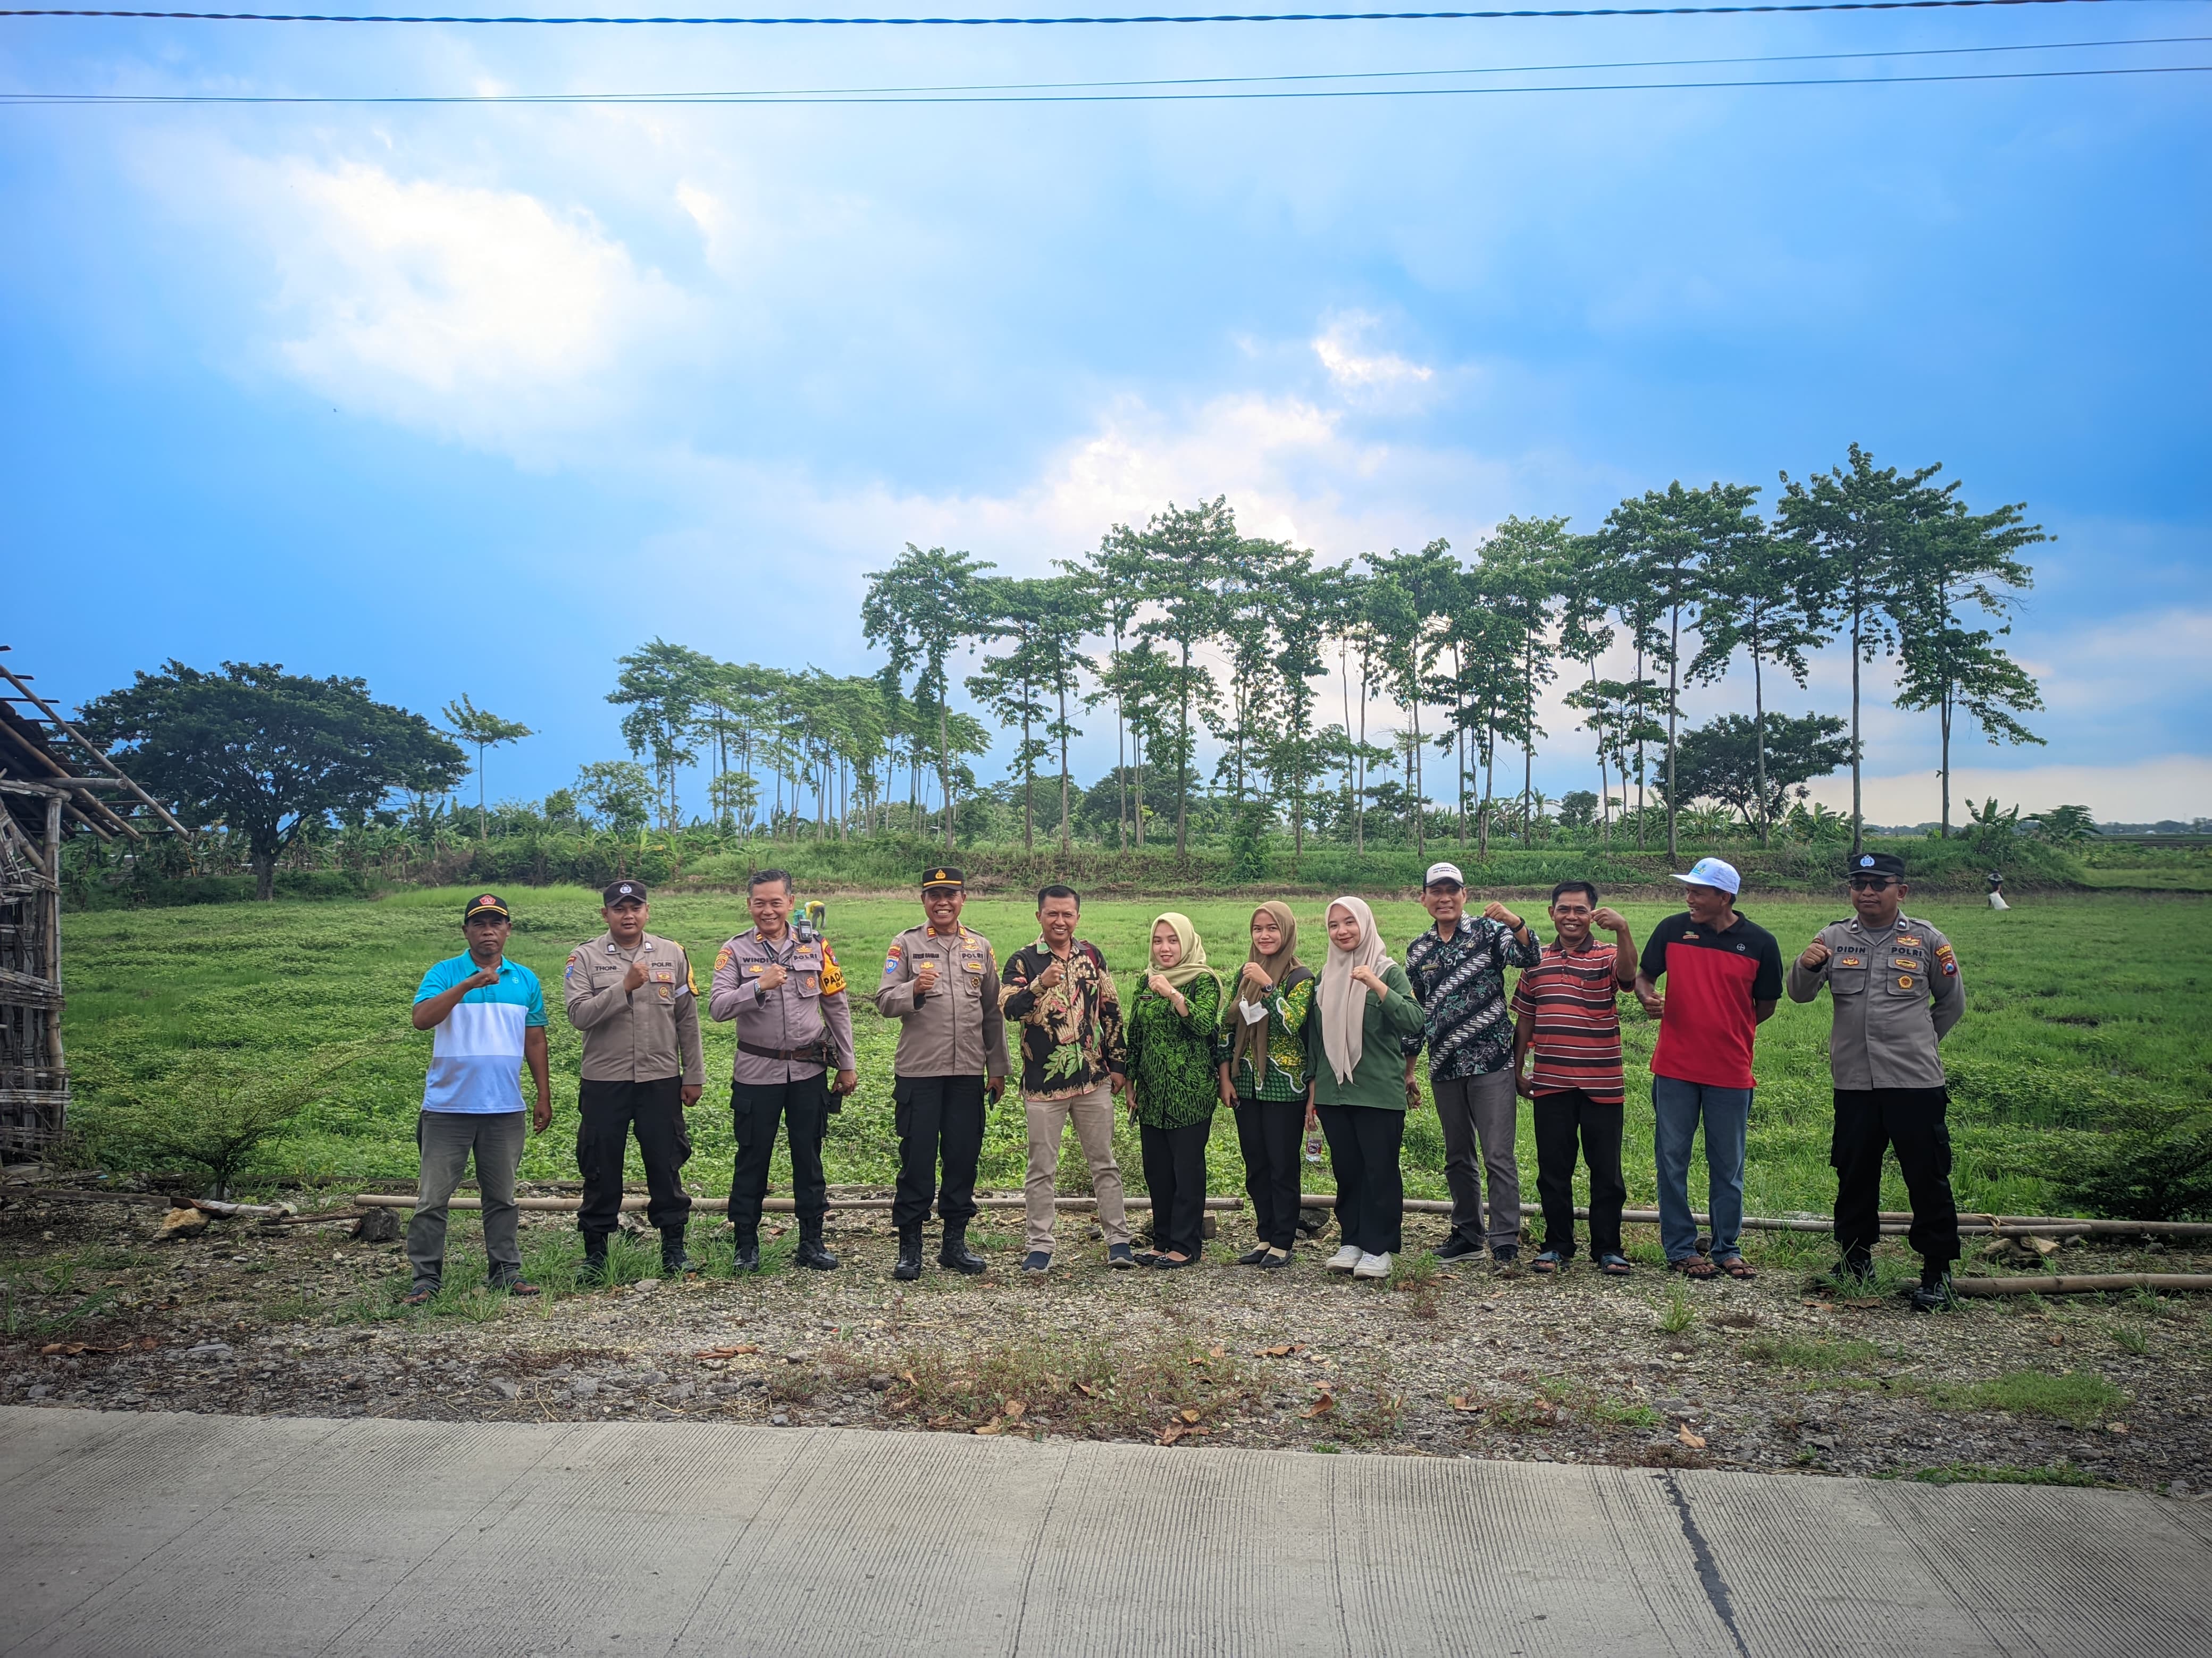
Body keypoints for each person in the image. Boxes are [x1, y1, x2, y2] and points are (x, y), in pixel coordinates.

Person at [1788, 851, 1967, 1312]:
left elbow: (1950, 1004)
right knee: (1853, 1173)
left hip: (1913, 1081)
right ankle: (1854, 1260)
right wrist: (1806, 966)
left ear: (1900, 890)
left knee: (1926, 1175)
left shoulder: (1928, 939)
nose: (1866, 891)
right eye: (1858, 883)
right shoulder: (1831, 937)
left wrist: (1919, 1042)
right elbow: (1799, 995)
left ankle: (1937, 1270)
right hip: (1854, 1082)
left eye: (1878, 883)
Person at [1633, 856, 1784, 1282]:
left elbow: (1766, 1006)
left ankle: (1727, 1247)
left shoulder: (1760, 942)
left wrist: (1728, 1027)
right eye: (1689, 891)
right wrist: (1648, 997)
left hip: (1731, 1070)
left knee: (1728, 1164)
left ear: (1725, 897)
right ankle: (1680, 1248)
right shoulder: (1672, 929)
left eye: (1698, 892)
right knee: (1671, 1160)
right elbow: (1645, 977)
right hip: (1675, 1067)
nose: (1690, 898)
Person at [404, 893, 550, 1306]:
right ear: (466, 930)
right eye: (479, 923)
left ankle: (506, 1272)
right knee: (433, 1199)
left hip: (504, 1108)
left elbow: (535, 1038)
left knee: (502, 1197)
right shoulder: (444, 972)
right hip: (447, 1108)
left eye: (496, 923)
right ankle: (426, 1279)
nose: (489, 930)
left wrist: (543, 1094)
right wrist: (468, 983)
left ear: (508, 930)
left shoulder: (525, 979)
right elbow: (421, 1019)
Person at [709, 869, 858, 1275]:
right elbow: (718, 1007)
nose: (768, 910)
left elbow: (837, 1007)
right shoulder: (735, 951)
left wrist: (847, 1063)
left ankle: (811, 1240)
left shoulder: (817, 946)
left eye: (776, 902)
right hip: (757, 1073)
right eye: (760, 902)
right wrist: (758, 986)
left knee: (808, 1159)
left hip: (808, 1072)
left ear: (791, 903)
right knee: (752, 1158)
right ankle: (746, 1243)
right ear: (749, 905)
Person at [563, 879, 706, 1282]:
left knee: (666, 1163)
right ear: (605, 914)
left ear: (647, 911)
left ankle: (674, 1249)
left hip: (660, 1079)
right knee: (600, 1166)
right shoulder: (585, 957)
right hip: (604, 1081)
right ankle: (596, 1256)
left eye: (635, 907)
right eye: (619, 908)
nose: (628, 915)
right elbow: (579, 1015)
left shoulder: (671, 953)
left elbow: (687, 1020)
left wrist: (693, 1074)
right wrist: (622, 987)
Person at [1401, 861, 1541, 1267]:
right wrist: (1410, 1069)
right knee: (1457, 1154)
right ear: (1423, 898)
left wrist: (1516, 921)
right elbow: (1416, 1014)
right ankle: (1467, 1233)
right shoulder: (1419, 950)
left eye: (1452, 890)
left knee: (1498, 1153)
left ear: (1465, 895)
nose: (1444, 898)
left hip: (1491, 1062)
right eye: (1436, 891)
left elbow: (1530, 956)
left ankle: (1504, 1239)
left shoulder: (1488, 931)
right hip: (1445, 1065)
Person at [876, 868, 1009, 1281]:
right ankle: (910, 1247)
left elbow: (992, 1012)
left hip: (968, 1071)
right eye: (934, 895)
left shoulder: (980, 947)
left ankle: (954, 1244)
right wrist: (913, 988)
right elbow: (883, 1000)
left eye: (950, 894)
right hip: (920, 1072)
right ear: (924, 900)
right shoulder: (906, 944)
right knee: (916, 1160)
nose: (943, 902)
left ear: (963, 898)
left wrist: (999, 1067)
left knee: (962, 1158)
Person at [999, 884, 1135, 1275]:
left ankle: (1119, 1240)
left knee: (1104, 1162)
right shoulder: (1023, 960)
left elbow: (1111, 1009)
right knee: (1042, 1167)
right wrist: (1041, 984)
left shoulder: (1092, 955)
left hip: (1093, 1078)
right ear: (1039, 916)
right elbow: (1010, 1007)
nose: (1060, 921)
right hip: (1044, 1084)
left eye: (1068, 914)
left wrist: (1119, 1064)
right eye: (1052, 914)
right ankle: (1040, 1245)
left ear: (1077, 917)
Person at [1511, 882, 1637, 1277]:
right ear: (1551, 913)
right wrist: (1517, 1069)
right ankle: (1557, 1244)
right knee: (1553, 1169)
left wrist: (1624, 929)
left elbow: (1630, 977)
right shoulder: (1536, 961)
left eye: (1580, 910)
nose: (1571, 916)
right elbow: (1525, 1019)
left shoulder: (1608, 954)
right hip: (1551, 1081)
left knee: (1607, 1172)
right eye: (1564, 909)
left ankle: (1608, 1247)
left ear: (1592, 914)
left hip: (1602, 1084)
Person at [1310, 896, 1428, 1281]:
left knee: (1380, 1170)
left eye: (1349, 922)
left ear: (1365, 924)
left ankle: (1380, 1247)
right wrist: (1314, 1091)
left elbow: (1414, 1020)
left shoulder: (1387, 970)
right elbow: (1315, 1039)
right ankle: (1353, 1240)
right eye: (1334, 924)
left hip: (1377, 1092)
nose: (1342, 931)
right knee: (1348, 1170)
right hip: (1334, 1092)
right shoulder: (1324, 976)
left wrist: (1376, 985)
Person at [1122, 912, 1225, 1268]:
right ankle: (1162, 1239)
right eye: (1158, 940)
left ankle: (1186, 1244)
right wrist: (1130, 1080)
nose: (1164, 948)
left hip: (1190, 1094)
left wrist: (1173, 993)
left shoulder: (1203, 980)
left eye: (1172, 940)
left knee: (1187, 1170)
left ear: (1187, 941)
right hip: (1152, 1094)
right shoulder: (1144, 981)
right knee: (1158, 1170)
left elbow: (1203, 1024)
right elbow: (1135, 1034)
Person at [1218, 900, 1316, 1269]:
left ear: (1287, 931)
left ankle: (1283, 1240)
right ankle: (1264, 1235)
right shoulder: (1243, 976)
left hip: (1283, 1087)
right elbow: (1228, 1027)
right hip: (1247, 1086)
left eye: (1272, 928)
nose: (1264, 935)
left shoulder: (1302, 978)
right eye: (1258, 929)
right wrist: (1226, 1076)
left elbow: (1292, 1024)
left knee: (1282, 1165)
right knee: (1255, 1163)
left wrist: (1269, 987)